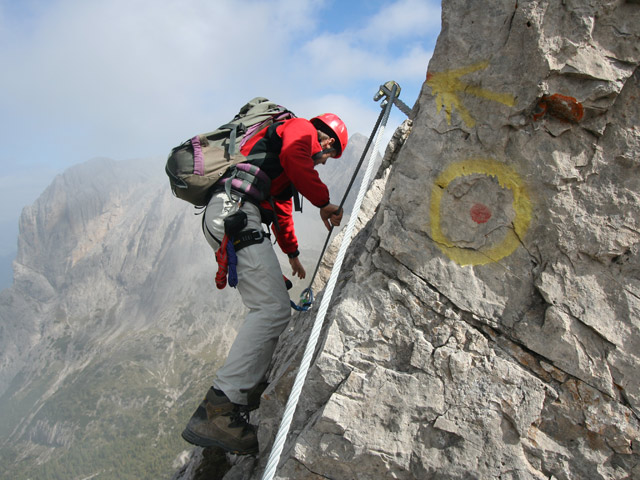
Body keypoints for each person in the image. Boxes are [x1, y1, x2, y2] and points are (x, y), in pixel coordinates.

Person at [181, 113, 348, 455]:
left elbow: (283, 211)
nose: (324, 159)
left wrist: (294, 255)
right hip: (235, 212)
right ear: (328, 142)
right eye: (329, 155)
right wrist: (324, 200)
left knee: (272, 308)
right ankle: (220, 409)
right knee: (271, 309)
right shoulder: (300, 129)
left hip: (235, 214)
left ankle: (241, 392)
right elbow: (295, 157)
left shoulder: (280, 163)